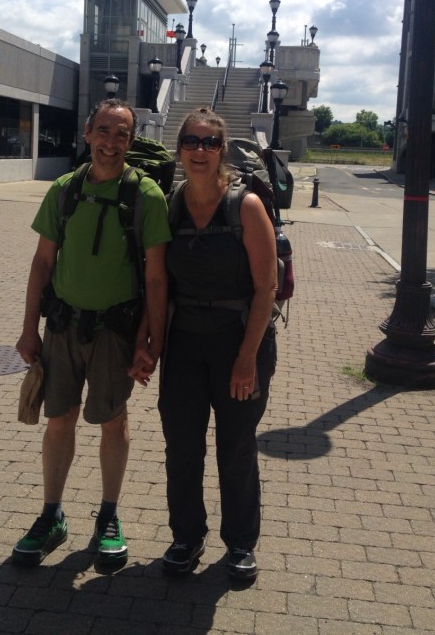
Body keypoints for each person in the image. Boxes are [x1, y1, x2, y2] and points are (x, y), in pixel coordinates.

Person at [13, 99, 170, 567]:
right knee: (59, 418)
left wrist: (152, 341)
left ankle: (108, 516)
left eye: (122, 134)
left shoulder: (146, 196)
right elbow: (43, 262)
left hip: (114, 332)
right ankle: (52, 514)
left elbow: (157, 278)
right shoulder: (64, 189)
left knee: (112, 421)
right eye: (104, 131)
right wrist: (27, 330)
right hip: (62, 325)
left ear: (132, 139)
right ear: (87, 134)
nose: (111, 142)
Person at [159, 108, 277, 581]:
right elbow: (157, 282)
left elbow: (266, 289)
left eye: (210, 143)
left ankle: (241, 543)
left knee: (236, 447)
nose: (200, 150)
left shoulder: (245, 206)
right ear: (181, 148)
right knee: (182, 447)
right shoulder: (171, 204)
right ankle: (187, 536)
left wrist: (247, 358)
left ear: (222, 150)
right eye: (191, 141)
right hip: (184, 342)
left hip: (239, 341)